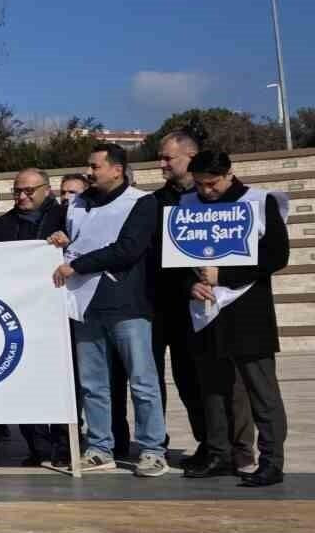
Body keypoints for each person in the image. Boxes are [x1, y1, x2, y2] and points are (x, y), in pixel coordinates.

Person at [50, 143, 167, 477]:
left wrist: (79, 264)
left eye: (96, 166)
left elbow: (129, 249)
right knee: (92, 383)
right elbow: (57, 237)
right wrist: (57, 237)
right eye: (89, 166)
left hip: (127, 305)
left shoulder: (142, 202)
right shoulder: (77, 204)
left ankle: (152, 449)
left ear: (117, 169)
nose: (90, 172)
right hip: (85, 304)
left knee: (142, 381)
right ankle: (100, 447)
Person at [181, 150, 290, 487]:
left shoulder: (260, 202)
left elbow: (276, 255)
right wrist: (190, 284)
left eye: (211, 184)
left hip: (248, 310)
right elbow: (174, 256)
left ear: (229, 174)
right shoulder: (188, 203)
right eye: (199, 185)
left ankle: (271, 461)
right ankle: (219, 453)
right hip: (205, 310)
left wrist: (223, 273)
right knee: (212, 389)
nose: (206, 191)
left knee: (261, 390)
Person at [0, 168, 68, 465]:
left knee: (61, 382)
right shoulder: (1, 226)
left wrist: (66, 244)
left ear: (47, 189)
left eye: (28, 191)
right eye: (17, 191)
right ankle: (37, 447)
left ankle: (65, 445)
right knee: (24, 381)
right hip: (18, 317)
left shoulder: (66, 217)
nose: (22, 196)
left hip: (59, 315)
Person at [151, 131, 213, 473]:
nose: (161, 164)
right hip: (165, 305)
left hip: (204, 306)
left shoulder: (212, 200)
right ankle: (166, 442)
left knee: (201, 381)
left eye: (168, 158)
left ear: (190, 157)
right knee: (169, 379)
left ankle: (216, 443)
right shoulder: (156, 201)